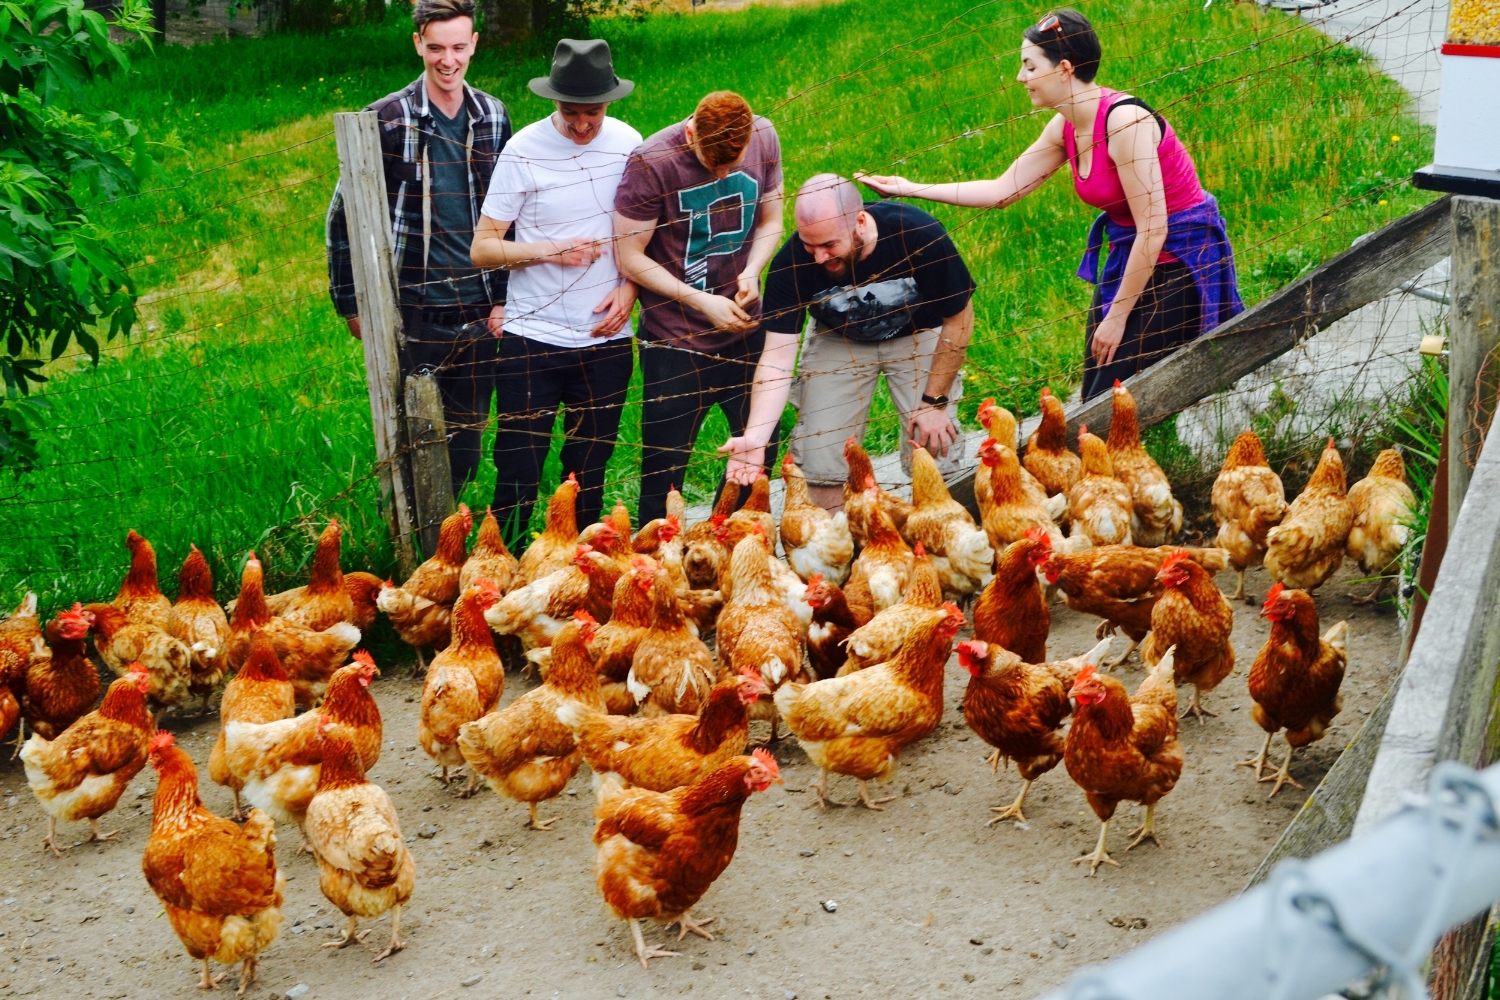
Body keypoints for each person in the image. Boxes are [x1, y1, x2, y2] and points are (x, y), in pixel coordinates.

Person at [859, 7, 1242, 402]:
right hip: (1134, 257)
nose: (1020, 77)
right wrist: (909, 188)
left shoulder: (1124, 122)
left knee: (1113, 395)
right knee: (1099, 392)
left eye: (1028, 66)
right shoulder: (1066, 127)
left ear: (1063, 68)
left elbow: (1154, 227)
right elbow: (1003, 190)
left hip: (1180, 260)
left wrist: (1117, 316)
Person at [325, 0, 510, 498]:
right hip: (413, 309)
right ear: (417, 44)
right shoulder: (385, 119)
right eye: (435, 48)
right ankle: (421, 546)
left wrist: (503, 298)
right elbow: (342, 218)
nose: (447, 60)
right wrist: (351, 304)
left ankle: (448, 537)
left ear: (474, 43)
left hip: (476, 310)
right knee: (415, 442)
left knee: (467, 447)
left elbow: (511, 215)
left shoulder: (492, 116)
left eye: (457, 47)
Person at [718, 174, 975, 509]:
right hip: (840, 337)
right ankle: (838, 548)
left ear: (859, 221)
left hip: (917, 331)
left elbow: (960, 319)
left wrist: (934, 401)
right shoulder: (791, 263)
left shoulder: (917, 233)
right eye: (810, 246)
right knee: (822, 460)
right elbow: (777, 359)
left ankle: (938, 536)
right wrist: (755, 437)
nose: (819, 259)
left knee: (934, 446)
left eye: (829, 246)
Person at [470, 39, 640, 542]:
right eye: (571, 113)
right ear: (553, 101)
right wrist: (547, 250)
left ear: (611, 101)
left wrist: (630, 288)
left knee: (589, 469)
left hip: (605, 339)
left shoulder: (631, 143)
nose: (583, 124)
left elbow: (649, 234)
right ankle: (505, 566)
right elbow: (483, 247)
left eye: (594, 112)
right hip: (533, 338)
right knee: (519, 465)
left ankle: (580, 571)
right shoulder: (523, 149)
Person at [612, 91, 784, 523]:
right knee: (664, 468)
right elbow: (629, 255)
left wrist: (753, 270)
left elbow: (771, 220)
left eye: (733, 162)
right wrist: (700, 301)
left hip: (746, 328)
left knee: (759, 450)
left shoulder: (764, 136)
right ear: (691, 132)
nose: (725, 172)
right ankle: (660, 559)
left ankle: (727, 542)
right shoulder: (651, 161)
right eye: (714, 164)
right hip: (676, 339)